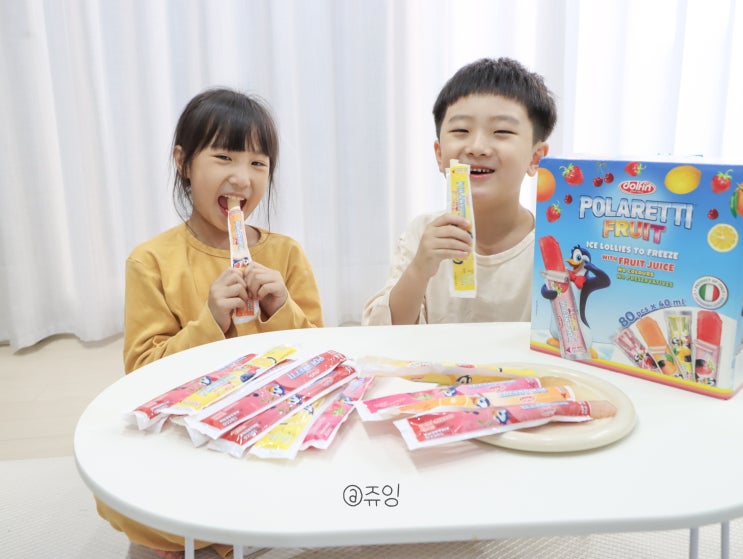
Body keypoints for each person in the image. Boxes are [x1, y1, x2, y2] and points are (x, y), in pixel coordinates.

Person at [97, 87, 323, 559]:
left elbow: (319, 364)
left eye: (258, 163)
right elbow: (142, 372)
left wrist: (280, 308)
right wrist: (210, 321)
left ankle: (223, 530)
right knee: (131, 496)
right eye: (224, 157)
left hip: (269, 421)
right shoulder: (151, 261)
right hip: (190, 429)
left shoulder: (286, 254)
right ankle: (213, 531)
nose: (242, 177)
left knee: (326, 474)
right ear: (183, 162)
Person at [362, 57, 557, 325]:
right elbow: (383, 332)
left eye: (501, 131)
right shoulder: (422, 234)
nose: (477, 147)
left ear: (536, 158)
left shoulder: (552, 247)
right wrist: (419, 269)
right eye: (461, 130)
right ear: (439, 154)